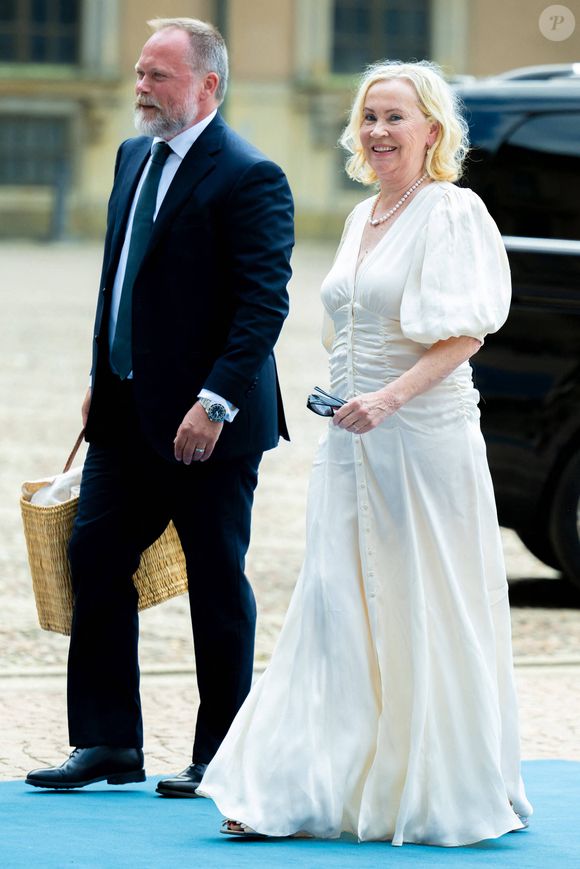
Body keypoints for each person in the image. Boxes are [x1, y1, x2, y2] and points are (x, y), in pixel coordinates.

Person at [198, 60, 533, 845]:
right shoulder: (361, 216)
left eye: (395, 117)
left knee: (421, 602)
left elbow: (464, 333)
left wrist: (388, 398)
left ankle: (436, 784)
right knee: (333, 605)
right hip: (350, 446)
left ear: (433, 130)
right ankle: (295, 786)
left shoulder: (451, 211)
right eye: (369, 117)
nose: (379, 132)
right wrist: (353, 400)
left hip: (423, 441)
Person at [25, 17, 294, 796]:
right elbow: (120, 279)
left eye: (160, 77)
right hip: (122, 417)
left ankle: (221, 755)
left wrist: (214, 403)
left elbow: (261, 306)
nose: (142, 88)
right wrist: (101, 374)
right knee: (93, 562)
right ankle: (108, 743)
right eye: (141, 74)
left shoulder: (250, 173)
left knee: (217, 585)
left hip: (206, 429)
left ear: (209, 85)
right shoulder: (131, 155)